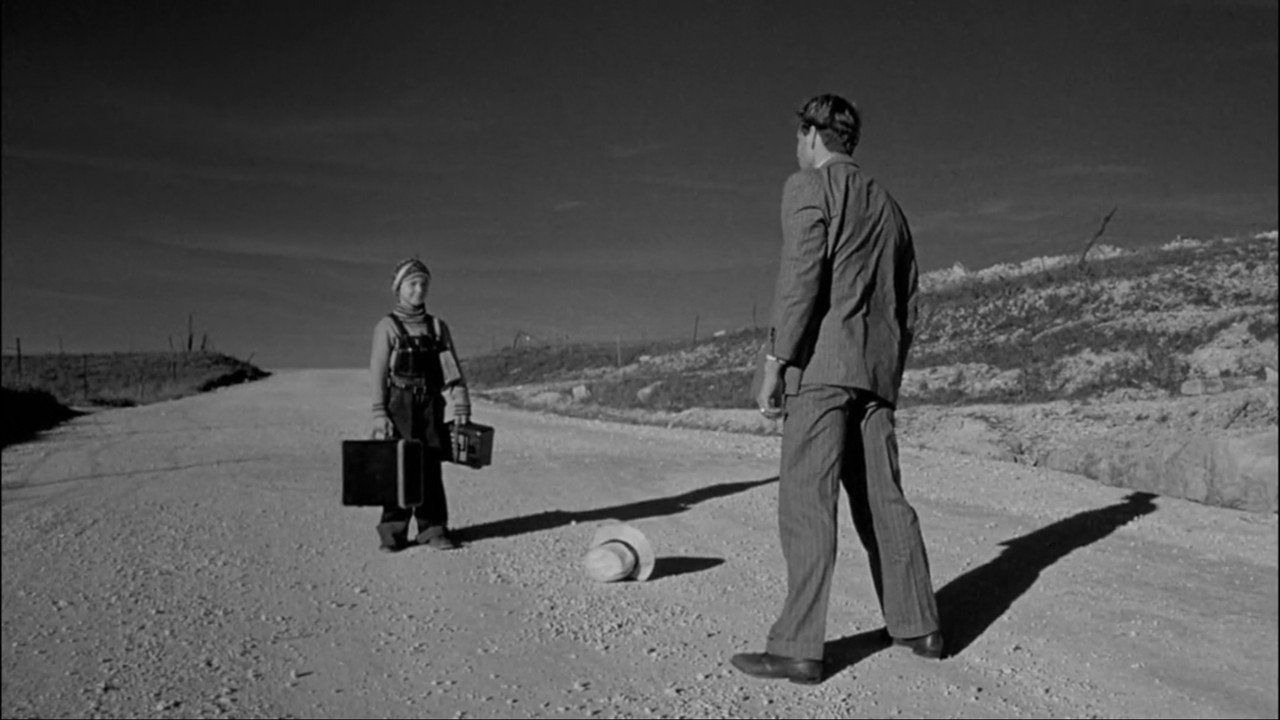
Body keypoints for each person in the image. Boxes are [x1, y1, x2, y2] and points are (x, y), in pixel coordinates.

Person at [731, 94, 942, 684]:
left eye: (798, 136)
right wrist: (886, 374)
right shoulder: (890, 208)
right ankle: (919, 625)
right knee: (884, 500)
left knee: (806, 502)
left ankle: (798, 647)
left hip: (822, 371)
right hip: (874, 376)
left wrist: (776, 361)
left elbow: (801, 275)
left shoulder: (809, 187)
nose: (796, 147)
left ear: (811, 133)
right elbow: (909, 303)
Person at [369, 257, 471, 552]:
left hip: (430, 404)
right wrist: (379, 413)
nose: (419, 289)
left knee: (430, 466)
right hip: (398, 403)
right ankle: (392, 532)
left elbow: (451, 370)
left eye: (424, 284)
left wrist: (461, 403)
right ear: (398, 288)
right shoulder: (387, 327)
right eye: (412, 284)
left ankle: (433, 529)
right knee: (399, 466)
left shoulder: (438, 328)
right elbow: (378, 373)